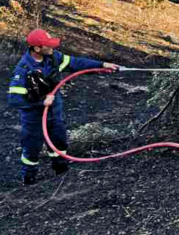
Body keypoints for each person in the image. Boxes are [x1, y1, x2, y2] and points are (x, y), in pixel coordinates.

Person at [7, 28, 121, 185]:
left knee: (59, 141)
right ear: (37, 48)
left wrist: (102, 64)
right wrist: (41, 102)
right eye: (48, 45)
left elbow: (76, 63)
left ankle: (60, 172)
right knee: (32, 148)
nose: (52, 48)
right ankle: (29, 180)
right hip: (34, 116)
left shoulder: (54, 57)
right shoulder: (23, 70)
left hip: (54, 110)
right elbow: (14, 99)